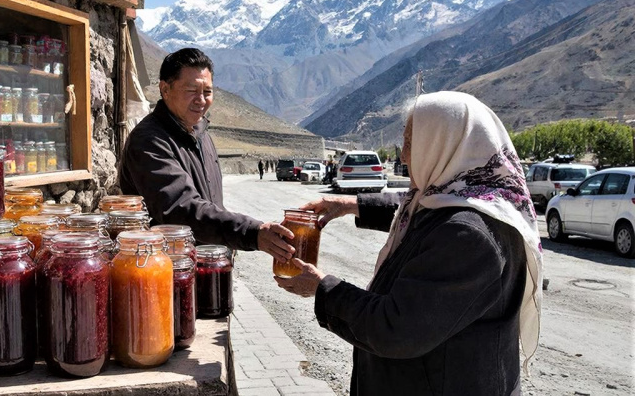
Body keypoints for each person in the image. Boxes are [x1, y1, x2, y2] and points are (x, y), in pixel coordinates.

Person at [276, 92, 543, 396]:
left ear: (442, 147)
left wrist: (322, 287)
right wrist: (349, 204)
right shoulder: (464, 198)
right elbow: (412, 207)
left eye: (410, 144)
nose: (403, 157)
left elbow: (396, 329)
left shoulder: (469, 237)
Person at [118, 48, 295, 261]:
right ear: (165, 89)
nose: (201, 100)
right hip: (169, 269)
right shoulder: (150, 141)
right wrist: (251, 233)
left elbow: (211, 202)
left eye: (207, 92)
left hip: (208, 264)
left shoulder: (200, 133)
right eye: (191, 90)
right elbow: (181, 209)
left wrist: (226, 241)